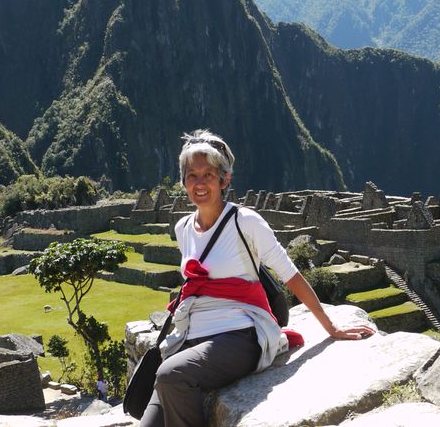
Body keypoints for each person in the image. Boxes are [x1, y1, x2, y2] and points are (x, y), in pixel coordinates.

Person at [139, 130, 374, 427]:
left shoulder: (245, 222)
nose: (199, 183)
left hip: (240, 336)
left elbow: (291, 275)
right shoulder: (183, 228)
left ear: (224, 180)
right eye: (192, 175)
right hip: (192, 338)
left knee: (171, 375)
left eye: (208, 174)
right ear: (184, 181)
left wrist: (331, 327)